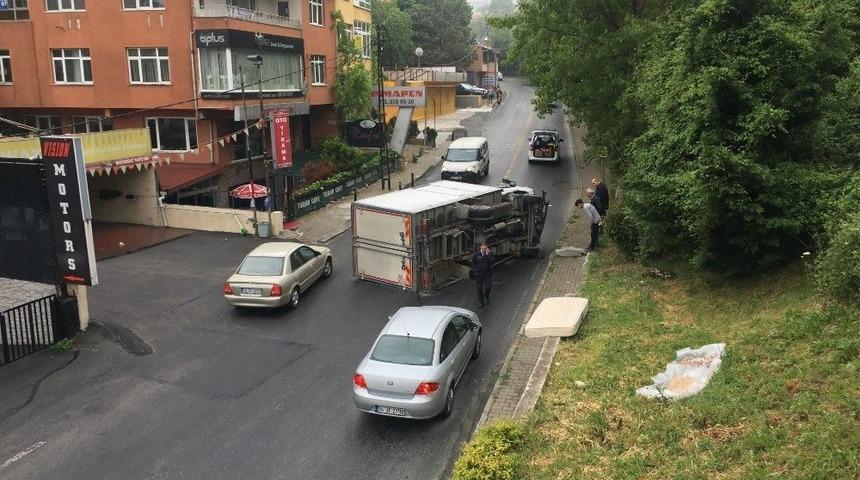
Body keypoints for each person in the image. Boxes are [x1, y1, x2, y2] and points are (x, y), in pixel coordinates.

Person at [471, 242, 495, 308]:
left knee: (488, 287)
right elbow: (473, 263)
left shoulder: (490, 254)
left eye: (485, 248)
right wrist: (474, 271)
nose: (484, 249)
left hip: (487, 274)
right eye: (483, 247)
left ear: (487, 248)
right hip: (478, 274)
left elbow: (492, 261)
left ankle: (486, 295)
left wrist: (487, 255)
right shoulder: (476, 254)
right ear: (480, 247)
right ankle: (481, 303)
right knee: (479, 289)